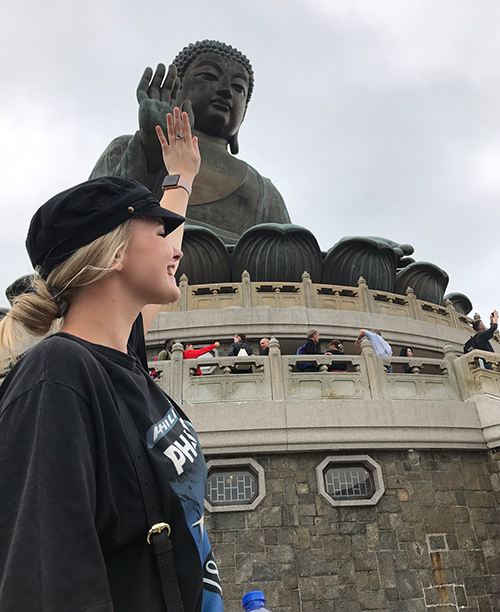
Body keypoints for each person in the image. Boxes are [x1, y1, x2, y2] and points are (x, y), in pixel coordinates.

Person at [0, 109, 223, 611]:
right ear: (115, 255)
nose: (176, 250)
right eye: (161, 233)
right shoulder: (58, 377)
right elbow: (48, 582)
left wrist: (183, 175)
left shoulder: (123, 361)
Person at [90, 40, 290, 245]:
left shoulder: (265, 192)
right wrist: (151, 146)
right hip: (145, 258)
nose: (225, 90)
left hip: (233, 264)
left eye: (238, 87)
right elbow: (93, 225)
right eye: (209, 76)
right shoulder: (125, 148)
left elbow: (286, 253)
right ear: (175, 90)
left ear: (244, 114)